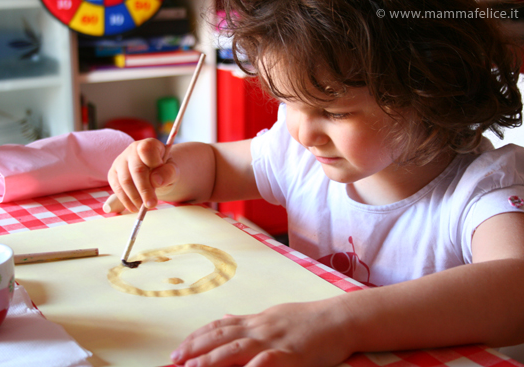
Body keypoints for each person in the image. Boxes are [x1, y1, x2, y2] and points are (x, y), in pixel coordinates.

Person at [105, 0, 524, 366]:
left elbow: (515, 287)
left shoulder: (482, 188)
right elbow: (214, 168)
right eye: (287, 100)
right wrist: (165, 171)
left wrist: (341, 322)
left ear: (433, 89)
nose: (304, 132)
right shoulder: (299, 154)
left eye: (334, 111)